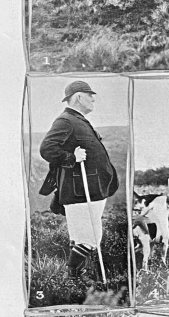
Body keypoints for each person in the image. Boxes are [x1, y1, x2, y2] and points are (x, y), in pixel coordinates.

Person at [39, 80, 119, 281]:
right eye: (89, 94)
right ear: (78, 97)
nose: (93, 98)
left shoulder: (77, 119)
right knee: (89, 238)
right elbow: (47, 148)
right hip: (80, 190)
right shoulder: (66, 120)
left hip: (87, 189)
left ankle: (76, 277)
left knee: (82, 236)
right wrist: (72, 157)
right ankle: (74, 277)